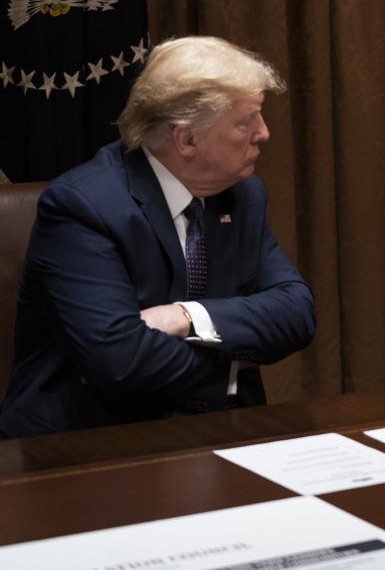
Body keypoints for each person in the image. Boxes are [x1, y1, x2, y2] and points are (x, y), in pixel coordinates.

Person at [0, 36, 316, 438]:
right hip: (88, 442)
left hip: (212, 433)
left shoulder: (243, 195)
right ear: (187, 139)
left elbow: (298, 313)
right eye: (245, 120)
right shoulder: (83, 207)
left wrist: (187, 317)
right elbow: (122, 364)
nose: (264, 133)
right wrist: (236, 361)